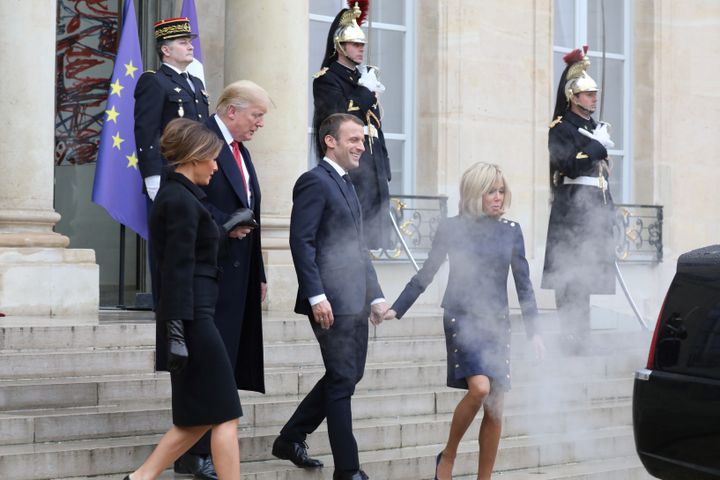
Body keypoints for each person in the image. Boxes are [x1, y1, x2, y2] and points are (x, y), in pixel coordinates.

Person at [384, 162, 545, 480]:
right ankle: (449, 455)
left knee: (496, 406)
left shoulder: (511, 231)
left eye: (501, 191)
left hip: (497, 323)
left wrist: (535, 333)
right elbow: (427, 271)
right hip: (463, 318)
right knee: (480, 388)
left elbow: (524, 283)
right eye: (490, 191)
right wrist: (397, 307)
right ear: (475, 193)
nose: (498, 197)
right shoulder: (452, 228)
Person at [272, 113, 388, 480]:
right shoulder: (313, 182)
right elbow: (301, 242)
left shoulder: (347, 183)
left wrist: (375, 297)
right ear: (330, 141)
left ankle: (290, 437)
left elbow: (357, 247)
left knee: (348, 376)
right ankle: (348, 470)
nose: (360, 146)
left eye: (361, 139)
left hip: (355, 298)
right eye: (353, 139)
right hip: (329, 301)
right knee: (341, 380)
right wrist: (316, 296)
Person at [124, 118, 241, 480]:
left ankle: (139, 478)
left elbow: (194, 254)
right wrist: (176, 333)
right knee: (225, 415)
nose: (216, 167)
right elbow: (174, 272)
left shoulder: (185, 197)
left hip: (194, 316)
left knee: (198, 418)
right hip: (192, 321)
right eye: (213, 159)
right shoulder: (178, 200)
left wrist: (224, 229)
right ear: (194, 157)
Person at [182, 80, 271, 478]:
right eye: (256, 115)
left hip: (239, 274)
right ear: (232, 110)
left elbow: (252, 213)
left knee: (227, 363)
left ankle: (202, 447)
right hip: (209, 273)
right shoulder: (201, 142)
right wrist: (223, 226)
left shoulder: (242, 153)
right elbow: (187, 198)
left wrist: (261, 272)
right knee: (210, 367)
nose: (260, 124)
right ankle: (195, 451)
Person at [541, 46, 616, 355]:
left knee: (584, 277)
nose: (594, 98)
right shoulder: (561, 129)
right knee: (569, 275)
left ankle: (580, 337)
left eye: (595, 93)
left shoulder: (591, 127)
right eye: (588, 94)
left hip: (593, 205)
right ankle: (570, 337)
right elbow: (569, 164)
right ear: (573, 96)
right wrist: (597, 147)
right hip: (573, 206)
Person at [312, 2, 392, 249]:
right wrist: (366, 93)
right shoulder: (327, 80)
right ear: (340, 46)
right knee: (348, 241)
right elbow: (340, 117)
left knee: (370, 241)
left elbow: (375, 127)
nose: (361, 49)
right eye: (356, 44)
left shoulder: (363, 77)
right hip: (351, 166)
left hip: (372, 166)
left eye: (362, 45)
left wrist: (384, 166)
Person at [135, 17, 210, 201]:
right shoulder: (154, 81)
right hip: (169, 172)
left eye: (190, 42)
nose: (191, 47)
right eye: (183, 43)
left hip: (197, 171)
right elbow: (146, 131)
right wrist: (152, 175)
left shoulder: (196, 83)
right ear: (165, 50)